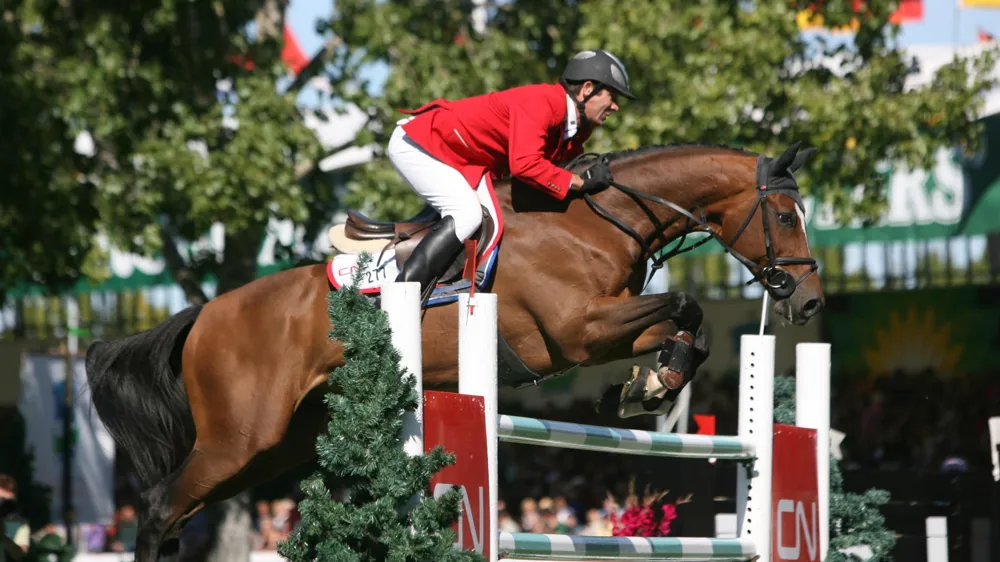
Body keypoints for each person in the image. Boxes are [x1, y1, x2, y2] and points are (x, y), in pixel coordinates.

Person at [386, 49, 636, 298]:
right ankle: (400, 298)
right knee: (467, 215)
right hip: (420, 144)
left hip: (463, 160)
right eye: (612, 96)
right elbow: (525, 165)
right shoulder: (543, 102)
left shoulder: (575, 129)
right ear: (586, 89)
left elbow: (557, 171)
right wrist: (580, 182)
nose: (615, 106)